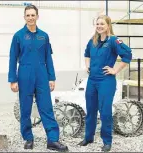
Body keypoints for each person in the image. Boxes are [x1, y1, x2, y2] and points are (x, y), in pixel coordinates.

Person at [8, 4, 68, 152]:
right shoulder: (18, 36)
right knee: (25, 108)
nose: (30, 18)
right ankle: (28, 138)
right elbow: (12, 58)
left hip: (42, 74)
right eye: (27, 15)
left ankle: (53, 140)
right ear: (24, 17)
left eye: (33, 15)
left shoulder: (44, 36)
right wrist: (13, 79)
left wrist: (51, 77)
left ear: (37, 17)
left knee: (46, 107)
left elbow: (48, 58)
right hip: (25, 74)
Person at [78, 15, 132, 152]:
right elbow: (86, 54)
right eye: (97, 24)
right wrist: (88, 66)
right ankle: (88, 137)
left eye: (102, 24)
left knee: (105, 112)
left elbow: (128, 55)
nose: (99, 26)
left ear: (108, 25)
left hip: (106, 81)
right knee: (90, 110)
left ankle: (107, 141)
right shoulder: (93, 40)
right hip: (92, 81)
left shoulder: (113, 40)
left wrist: (115, 70)